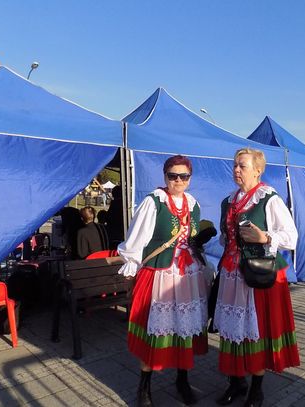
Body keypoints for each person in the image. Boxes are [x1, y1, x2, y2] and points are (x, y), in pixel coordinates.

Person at [117, 155, 211, 406]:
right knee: (153, 331)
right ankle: (144, 387)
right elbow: (135, 240)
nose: (178, 180)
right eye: (173, 176)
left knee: (184, 329)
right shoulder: (153, 202)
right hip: (160, 274)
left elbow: (192, 238)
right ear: (165, 176)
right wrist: (131, 266)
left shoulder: (193, 203)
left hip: (187, 276)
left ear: (190, 178)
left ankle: (182, 380)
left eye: (184, 176)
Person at [213, 148, 300, 407]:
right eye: (235, 165)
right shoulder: (228, 201)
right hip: (231, 273)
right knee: (232, 329)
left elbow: (292, 237)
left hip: (258, 273)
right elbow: (226, 238)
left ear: (257, 170)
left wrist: (265, 237)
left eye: (242, 166)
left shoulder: (268, 198)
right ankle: (236, 382)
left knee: (256, 330)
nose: (236, 170)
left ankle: (257, 389)